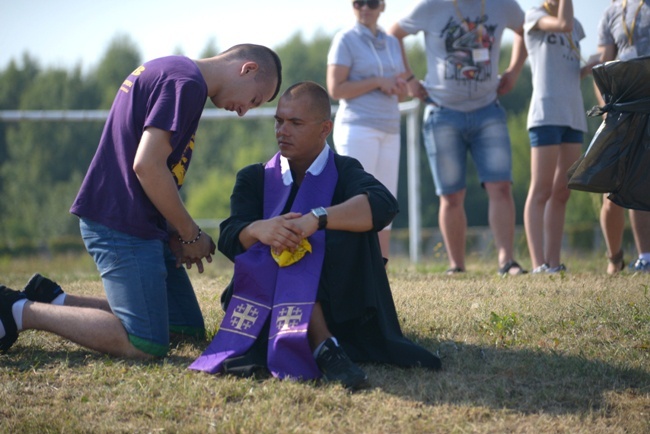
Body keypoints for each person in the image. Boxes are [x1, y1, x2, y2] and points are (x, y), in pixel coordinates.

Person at [0, 44, 283, 357]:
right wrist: (191, 233)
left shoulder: (176, 72)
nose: (244, 110)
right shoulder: (186, 84)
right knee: (145, 343)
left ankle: (55, 301)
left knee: (185, 327)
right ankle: (18, 311)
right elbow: (147, 166)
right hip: (121, 223)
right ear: (248, 69)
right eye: (254, 100)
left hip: (143, 223)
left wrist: (172, 230)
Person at [189, 82, 441, 390]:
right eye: (279, 121)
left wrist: (317, 219)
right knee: (278, 240)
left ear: (325, 129)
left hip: (340, 304)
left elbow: (383, 204)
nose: (283, 131)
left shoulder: (345, 170)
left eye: (295, 123)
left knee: (334, 230)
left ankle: (318, 338)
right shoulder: (255, 177)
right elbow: (229, 235)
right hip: (267, 302)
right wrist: (259, 229)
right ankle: (323, 345)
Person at [388, 0, 529, 275]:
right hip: (442, 112)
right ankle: (457, 265)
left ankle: (507, 261)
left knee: (500, 187)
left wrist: (514, 71)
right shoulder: (431, 5)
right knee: (451, 195)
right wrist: (409, 78)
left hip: (489, 110)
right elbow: (394, 33)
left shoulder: (503, 5)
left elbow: (526, 29)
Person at [326, 0, 409, 261]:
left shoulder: (392, 42)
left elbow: (403, 89)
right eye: (358, 2)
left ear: (382, 6)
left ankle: (379, 266)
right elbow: (336, 89)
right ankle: (352, 264)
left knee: (386, 198)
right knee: (357, 199)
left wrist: (398, 86)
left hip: (390, 128)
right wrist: (377, 82)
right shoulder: (345, 39)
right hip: (358, 127)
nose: (365, 7)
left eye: (371, 2)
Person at [523, 0, 598, 274]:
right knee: (541, 189)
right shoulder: (535, 15)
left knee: (562, 191)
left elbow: (569, 72)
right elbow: (563, 23)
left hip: (573, 114)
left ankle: (553, 263)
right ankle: (537, 264)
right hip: (546, 114)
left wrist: (588, 68)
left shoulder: (577, 25)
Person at [596, 0, 650, 274]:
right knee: (614, 186)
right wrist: (608, 110)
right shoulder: (611, 12)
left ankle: (645, 256)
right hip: (624, 108)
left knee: (644, 181)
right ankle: (614, 258)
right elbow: (604, 67)